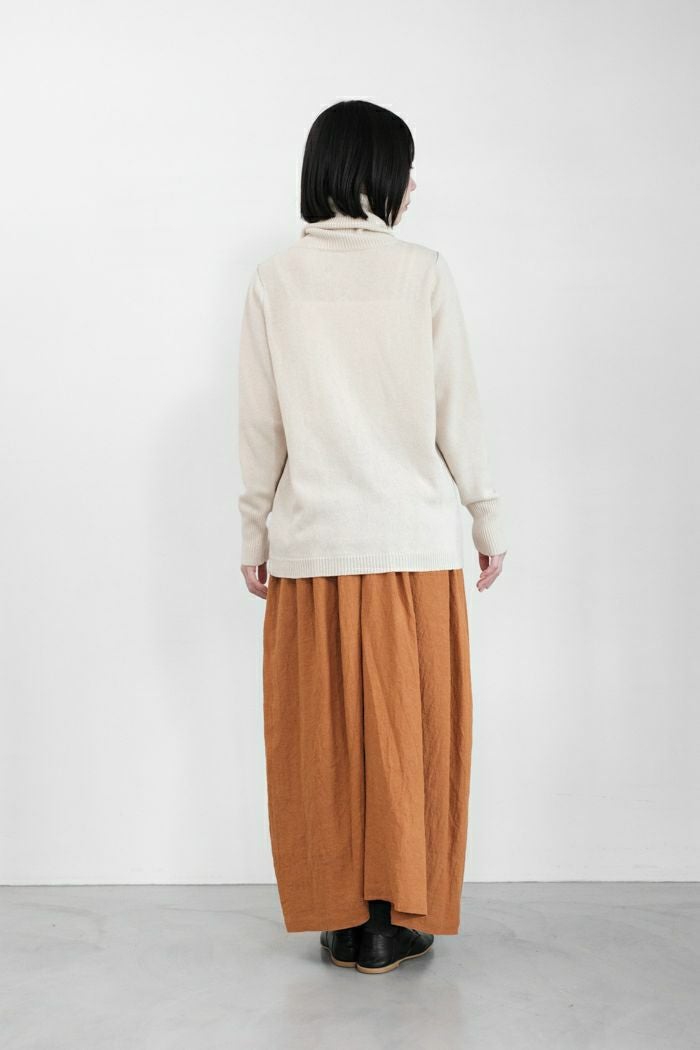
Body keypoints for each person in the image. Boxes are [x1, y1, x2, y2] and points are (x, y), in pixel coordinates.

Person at [237, 99, 507, 975]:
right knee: (413, 739)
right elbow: (458, 410)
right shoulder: (422, 273)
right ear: (380, 176)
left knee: (319, 740)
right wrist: (486, 515)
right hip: (413, 546)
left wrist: (253, 533)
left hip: (313, 546)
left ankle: (345, 920)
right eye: (405, 169)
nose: (413, 185)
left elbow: (260, 426)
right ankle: (395, 920)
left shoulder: (275, 279)